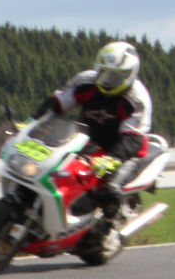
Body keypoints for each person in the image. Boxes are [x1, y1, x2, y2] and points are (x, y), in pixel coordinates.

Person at [34, 40, 155, 217]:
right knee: (55, 172)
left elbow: (132, 137)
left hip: (125, 150)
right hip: (88, 142)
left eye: (114, 77)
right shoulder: (85, 81)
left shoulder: (137, 99)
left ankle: (109, 226)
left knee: (109, 188)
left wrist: (112, 159)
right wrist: (34, 122)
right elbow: (58, 102)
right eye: (103, 73)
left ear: (129, 75)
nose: (106, 81)